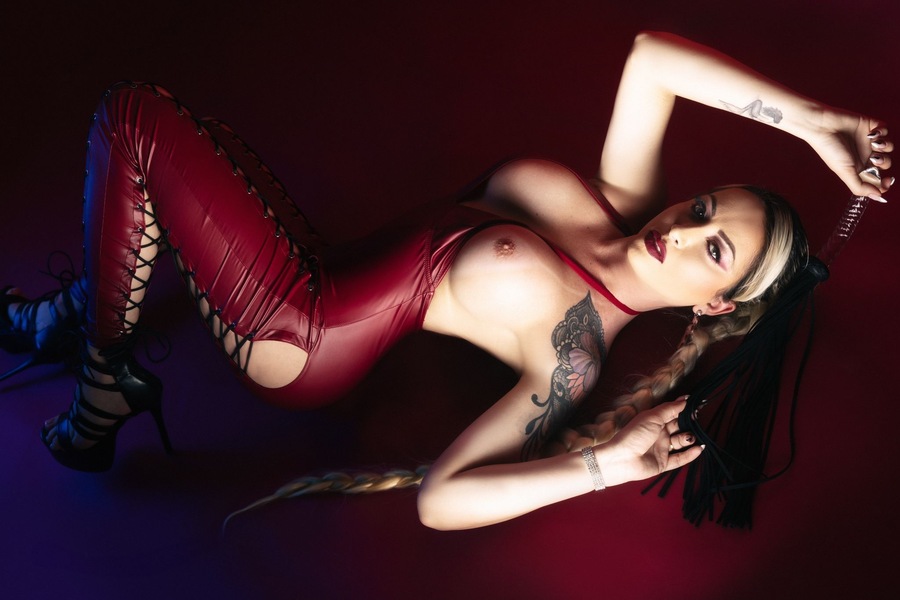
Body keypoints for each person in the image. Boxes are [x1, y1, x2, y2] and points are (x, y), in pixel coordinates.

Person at [0, 32, 892, 531]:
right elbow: (652, 57)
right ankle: (75, 317)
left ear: (716, 303)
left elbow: (443, 499)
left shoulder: (574, 351)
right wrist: (813, 122)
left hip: (300, 331)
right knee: (181, 142)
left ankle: (101, 380)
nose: (682, 230)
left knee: (134, 122)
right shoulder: (623, 199)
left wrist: (602, 468)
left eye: (714, 251)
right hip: (317, 256)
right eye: (701, 208)